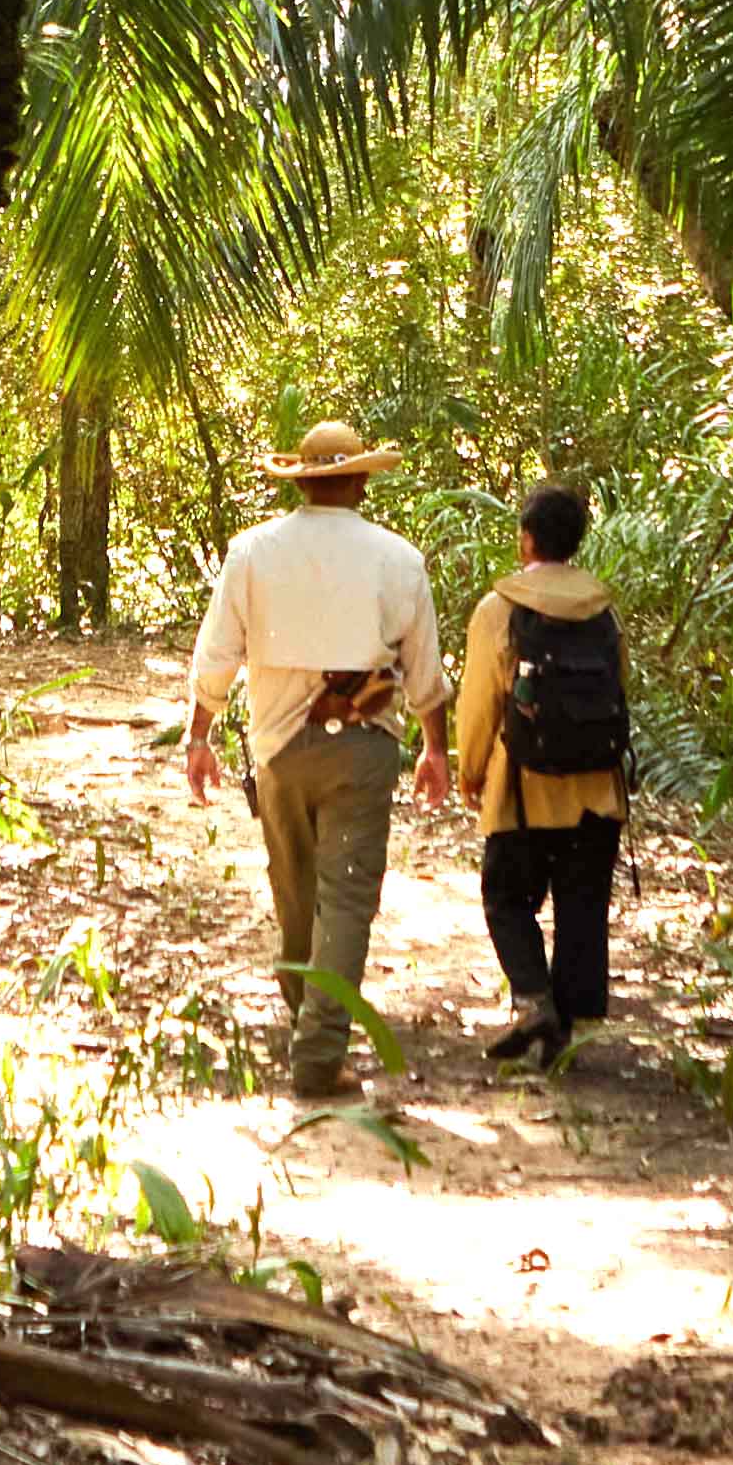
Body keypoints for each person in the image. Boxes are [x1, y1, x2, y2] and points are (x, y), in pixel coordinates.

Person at [183, 418, 444, 1101]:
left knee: (295, 891)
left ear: (302, 482)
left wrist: (199, 734)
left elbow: (218, 655)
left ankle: (311, 1024)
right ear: (359, 480)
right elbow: (424, 671)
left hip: (277, 746)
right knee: (348, 899)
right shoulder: (398, 558)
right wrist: (435, 748)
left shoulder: (252, 552)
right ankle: (319, 1052)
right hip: (363, 746)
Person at [442, 483, 632, 1069]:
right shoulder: (603, 609)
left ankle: (532, 999)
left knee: (505, 896)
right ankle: (564, 1028)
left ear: (527, 539)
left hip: (521, 785)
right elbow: (620, 693)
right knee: (581, 904)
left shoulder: (499, 609)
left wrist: (469, 769)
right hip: (596, 790)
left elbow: (477, 702)